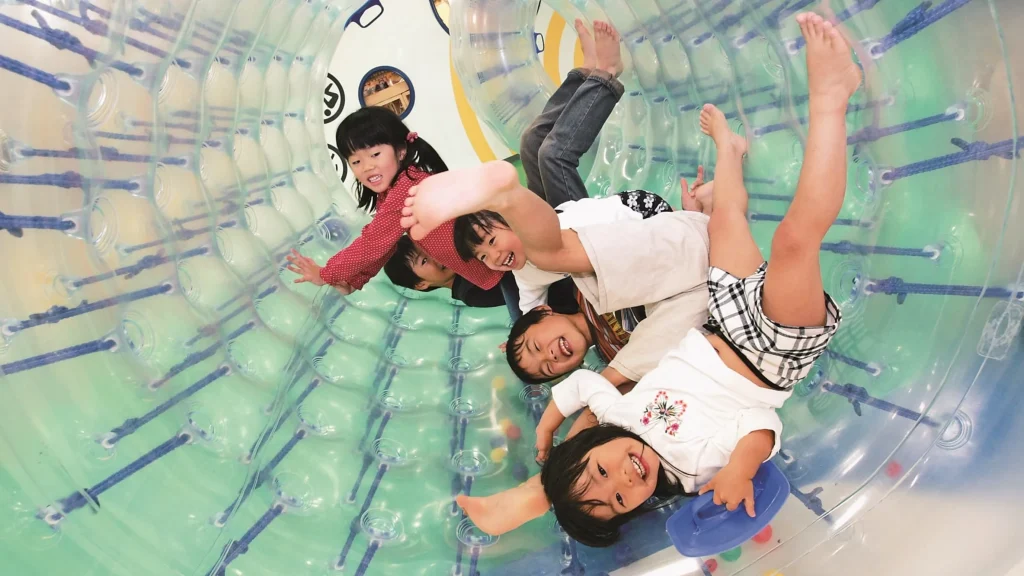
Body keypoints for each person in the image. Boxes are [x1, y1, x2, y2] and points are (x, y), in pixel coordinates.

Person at [407, 12, 859, 544]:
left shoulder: (619, 415)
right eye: (621, 500)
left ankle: (726, 153)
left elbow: (582, 390)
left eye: (603, 470)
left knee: (724, 222)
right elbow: (761, 427)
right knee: (793, 242)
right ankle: (830, 99)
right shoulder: (691, 472)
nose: (624, 478)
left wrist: (549, 435)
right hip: (767, 354)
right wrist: (740, 469)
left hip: (718, 308)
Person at [284, 106, 503, 296]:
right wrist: (355, 280)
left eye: (375, 155)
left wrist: (326, 274)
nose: (367, 167)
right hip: (489, 265)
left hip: (496, 258)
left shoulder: (406, 188)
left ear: (401, 151)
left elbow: (372, 243)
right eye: (356, 161)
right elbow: (385, 246)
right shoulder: (392, 192)